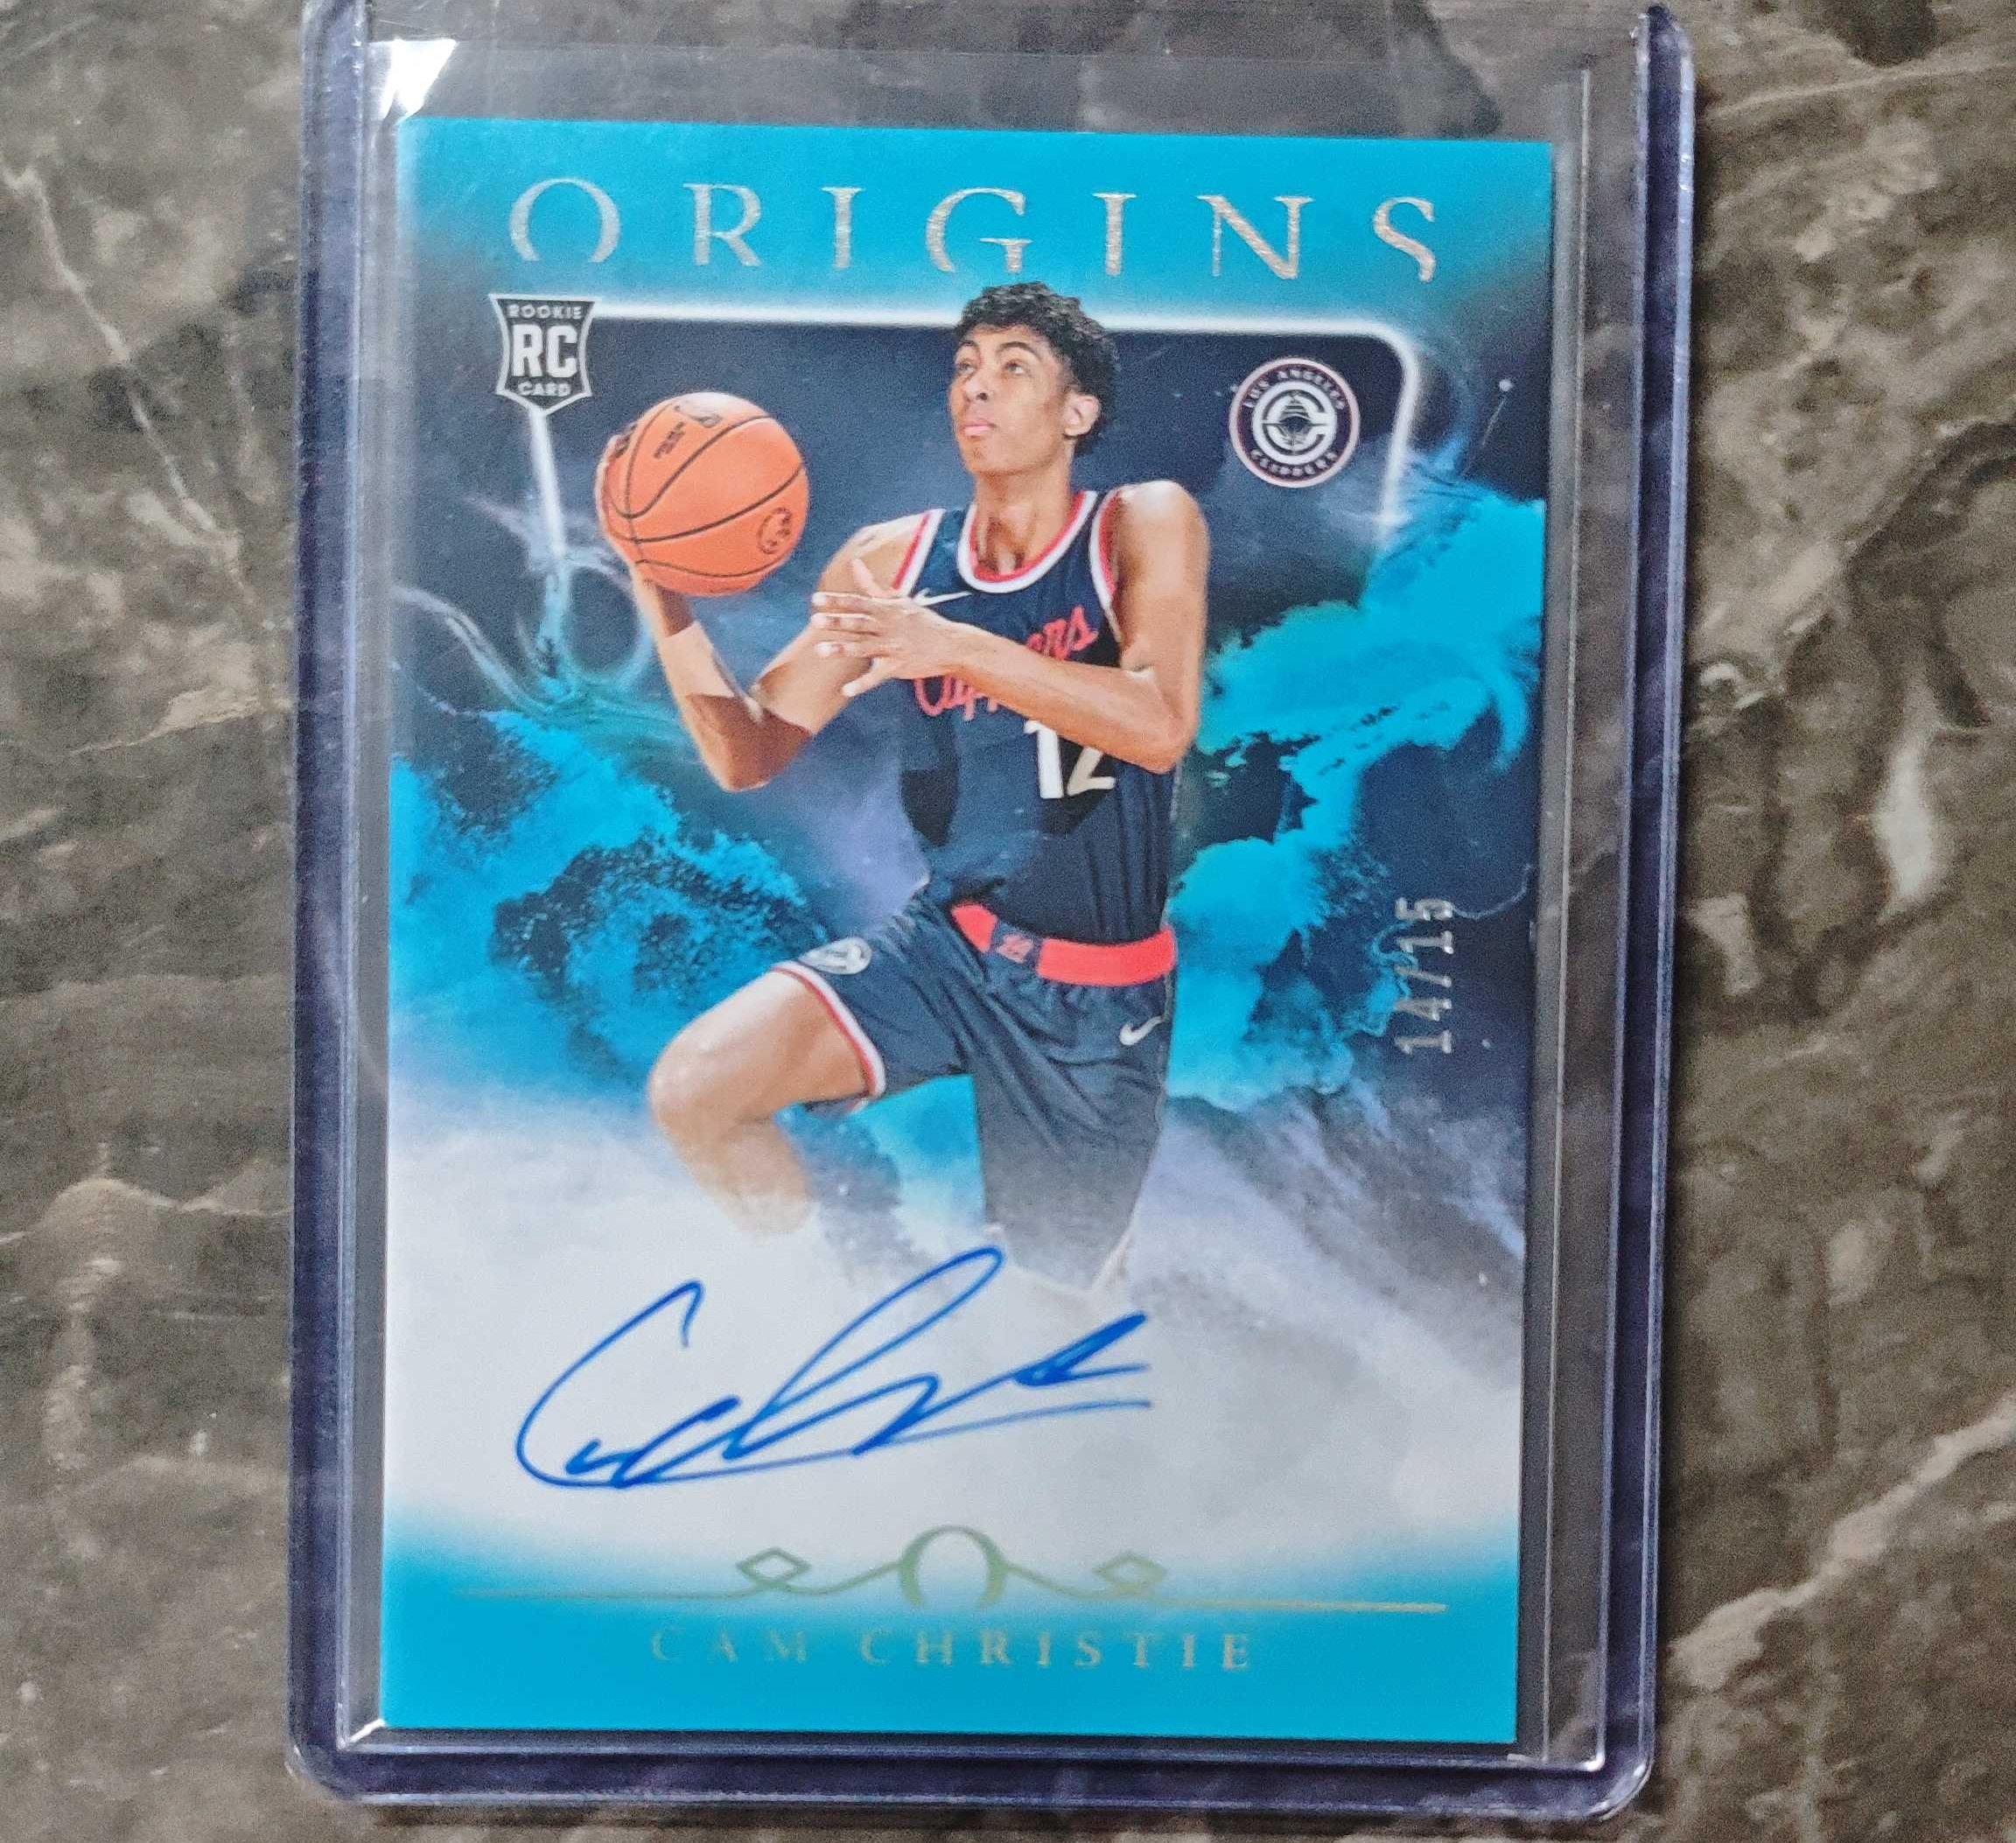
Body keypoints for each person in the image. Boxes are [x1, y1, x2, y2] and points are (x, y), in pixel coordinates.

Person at [626, 280, 1208, 1286]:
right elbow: (748, 751)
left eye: (1014, 367)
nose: (976, 386)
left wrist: (954, 645)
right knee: (697, 1089)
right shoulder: (889, 563)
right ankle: (817, 1305)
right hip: (948, 947)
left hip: (1096, 993)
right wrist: (661, 594)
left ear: (1078, 412)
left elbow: (1158, 727)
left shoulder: (1141, 522)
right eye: (966, 366)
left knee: (1058, 1307)